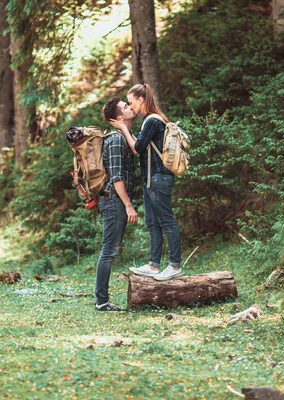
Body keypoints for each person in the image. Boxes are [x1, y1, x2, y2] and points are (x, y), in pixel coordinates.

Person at [109, 83, 183, 281]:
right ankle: (153, 266)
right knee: (152, 222)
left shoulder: (151, 120)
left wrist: (123, 127)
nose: (131, 107)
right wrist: (126, 130)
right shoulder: (149, 122)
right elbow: (140, 143)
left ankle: (175, 265)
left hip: (159, 179)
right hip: (152, 180)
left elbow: (137, 148)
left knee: (167, 221)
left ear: (141, 100)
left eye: (132, 103)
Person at [95, 97, 138, 312]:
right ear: (119, 117)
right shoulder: (115, 140)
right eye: (125, 106)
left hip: (116, 199)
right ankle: (101, 301)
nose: (131, 107)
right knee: (109, 250)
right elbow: (117, 177)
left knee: (110, 249)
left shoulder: (124, 137)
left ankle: (101, 299)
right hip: (113, 200)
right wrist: (128, 205)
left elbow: (138, 148)